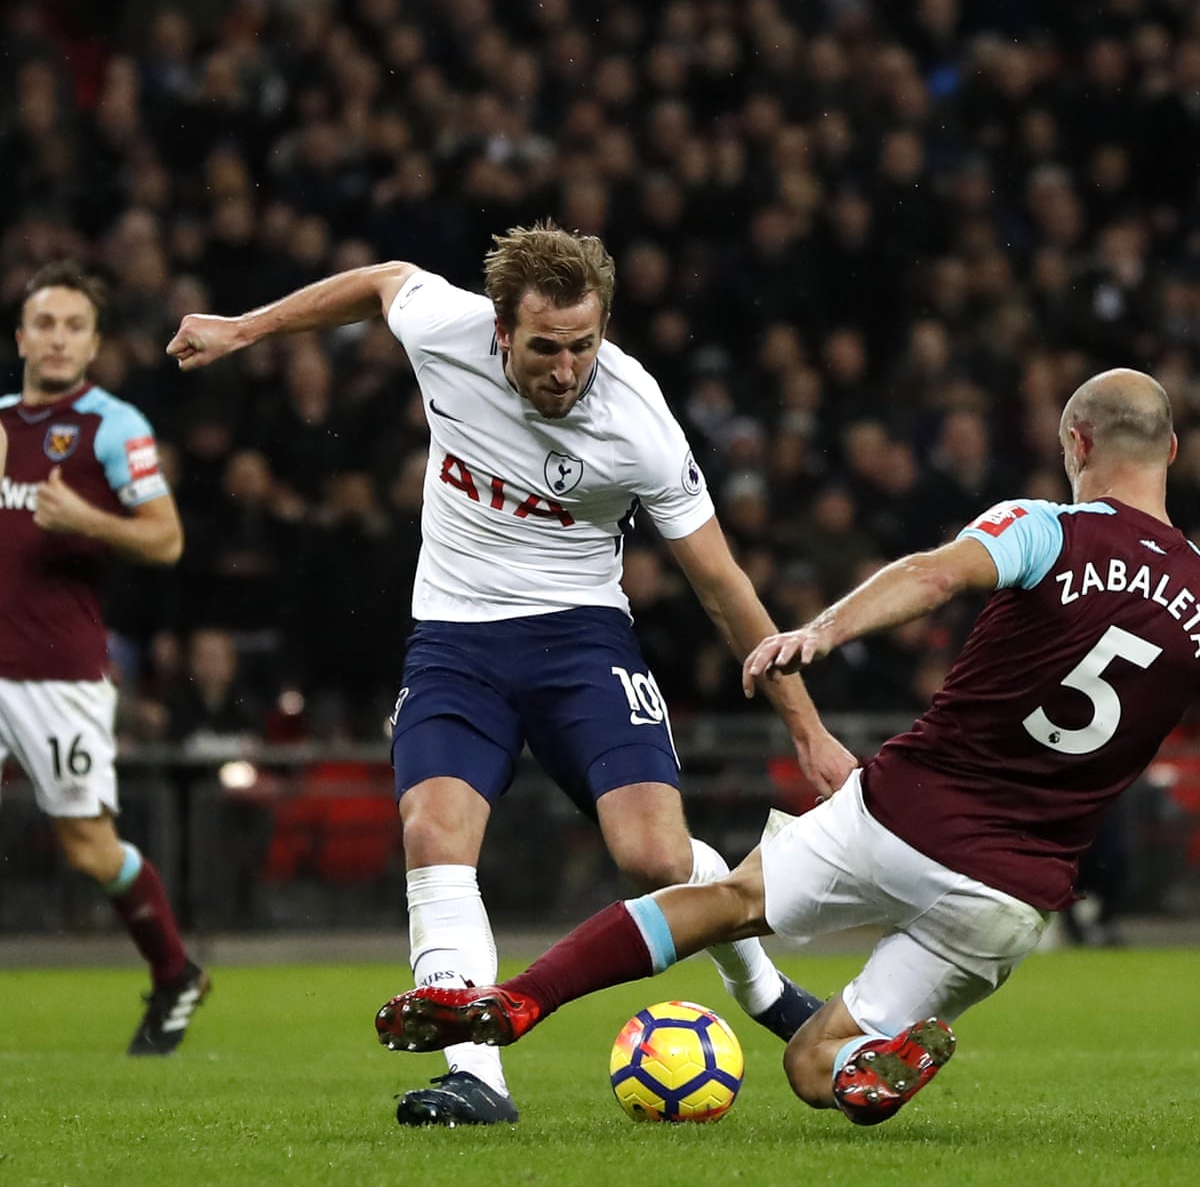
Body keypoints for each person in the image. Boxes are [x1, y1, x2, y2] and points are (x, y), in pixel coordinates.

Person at [375, 367, 1198, 1126]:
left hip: (907, 814)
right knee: (812, 1063)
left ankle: (523, 999)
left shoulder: (1047, 528)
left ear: (1075, 443)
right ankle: (863, 1066)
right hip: (1012, 896)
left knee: (727, 901)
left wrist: (825, 629)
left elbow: (936, 574)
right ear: (1169, 451)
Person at [166, 221, 855, 1125]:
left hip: (583, 642)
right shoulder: (443, 328)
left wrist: (808, 729)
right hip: (456, 643)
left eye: (583, 345)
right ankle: (474, 1076)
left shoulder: (638, 422)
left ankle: (765, 992)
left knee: (653, 856)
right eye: (544, 348)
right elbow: (382, 279)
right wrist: (245, 328)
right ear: (500, 331)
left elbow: (723, 586)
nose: (567, 370)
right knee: (432, 830)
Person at [0, 261, 209, 1055]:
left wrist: (86, 519)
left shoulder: (112, 427)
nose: (57, 338)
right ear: (22, 338)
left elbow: (167, 538)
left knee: (88, 847)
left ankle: (175, 971)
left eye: (73, 326)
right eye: (44, 324)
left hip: (57, 675)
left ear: (92, 344)